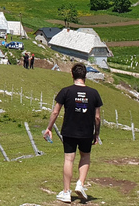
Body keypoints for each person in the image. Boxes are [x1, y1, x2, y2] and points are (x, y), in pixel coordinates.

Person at [44, 63, 103, 203]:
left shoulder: (65, 91)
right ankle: (80, 184)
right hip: (87, 132)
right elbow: (97, 117)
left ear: (72, 75)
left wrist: (49, 128)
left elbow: (55, 112)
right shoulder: (94, 93)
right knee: (85, 157)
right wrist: (97, 134)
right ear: (85, 76)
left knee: (69, 159)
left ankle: (66, 192)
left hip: (69, 131)